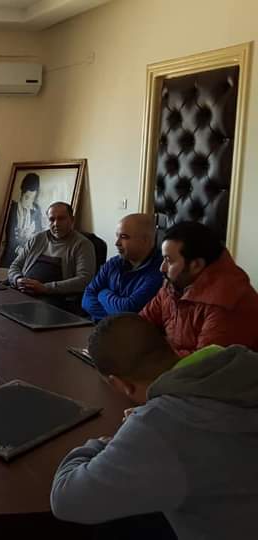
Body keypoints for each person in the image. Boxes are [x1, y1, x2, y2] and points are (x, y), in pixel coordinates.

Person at [51, 313, 258, 540]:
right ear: (169, 345)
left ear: (120, 384)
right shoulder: (241, 365)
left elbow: (65, 499)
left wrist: (102, 444)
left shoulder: (159, 427)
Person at [140, 220, 258, 356]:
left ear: (196, 265)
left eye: (169, 260)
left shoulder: (226, 302)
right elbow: (140, 323)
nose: (162, 268)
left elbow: (203, 363)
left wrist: (149, 358)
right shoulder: (173, 284)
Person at [82, 213, 163, 321]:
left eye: (124, 237)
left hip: (129, 331)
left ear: (145, 240)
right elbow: (86, 299)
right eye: (117, 236)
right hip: (96, 326)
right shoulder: (113, 263)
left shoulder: (160, 271)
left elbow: (127, 312)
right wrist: (115, 316)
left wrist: (103, 293)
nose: (117, 243)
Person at [7, 202, 96, 297]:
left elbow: (84, 280)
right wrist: (18, 279)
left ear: (72, 220)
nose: (56, 224)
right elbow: (15, 265)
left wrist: (45, 288)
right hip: (22, 290)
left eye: (61, 219)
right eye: (52, 219)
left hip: (52, 297)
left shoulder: (82, 244)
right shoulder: (37, 238)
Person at [0, 173, 43, 268]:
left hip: (28, 260)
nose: (29, 202)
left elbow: (40, 235)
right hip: (10, 258)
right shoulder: (11, 208)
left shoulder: (36, 210)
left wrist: (30, 235)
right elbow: (8, 238)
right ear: (22, 192)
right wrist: (19, 248)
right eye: (27, 197)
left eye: (32, 198)